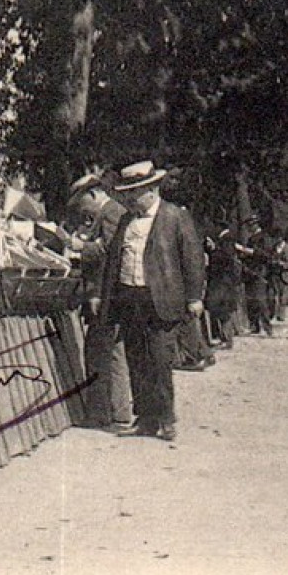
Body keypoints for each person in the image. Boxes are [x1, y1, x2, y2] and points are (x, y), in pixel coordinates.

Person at [89, 160, 205, 443]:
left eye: (135, 192)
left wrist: (194, 297)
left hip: (163, 300)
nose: (129, 198)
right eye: (127, 193)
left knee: (160, 360)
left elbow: (192, 259)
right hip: (130, 298)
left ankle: (166, 418)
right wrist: (100, 294)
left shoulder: (175, 217)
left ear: (152, 190)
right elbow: (112, 260)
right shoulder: (127, 220)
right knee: (136, 358)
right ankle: (146, 419)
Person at [65, 172, 133, 429]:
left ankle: (99, 414)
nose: (83, 211)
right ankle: (120, 411)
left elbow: (108, 253)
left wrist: (78, 246)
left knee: (98, 353)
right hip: (106, 295)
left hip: (105, 296)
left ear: (94, 195)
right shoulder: (110, 212)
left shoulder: (111, 212)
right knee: (114, 353)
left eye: (83, 204)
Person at [204, 229, 243, 349]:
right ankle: (225, 338)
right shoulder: (227, 247)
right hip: (224, 284)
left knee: (222, 311)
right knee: (222, 311)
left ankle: (226, 339)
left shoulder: (224, 248)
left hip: (222, 285)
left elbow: (220, 261)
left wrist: (214, 249)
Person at [239, 217, 275, 336]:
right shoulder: (251, 238)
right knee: (251, 300)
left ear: (256, 225)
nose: (249, 228)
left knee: (260, 300)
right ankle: (254, 326)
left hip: (260, 272)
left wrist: (247, 251)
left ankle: (267, 327)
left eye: (251, 225)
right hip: (250, 271)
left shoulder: (264, 238)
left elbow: (265, 255)